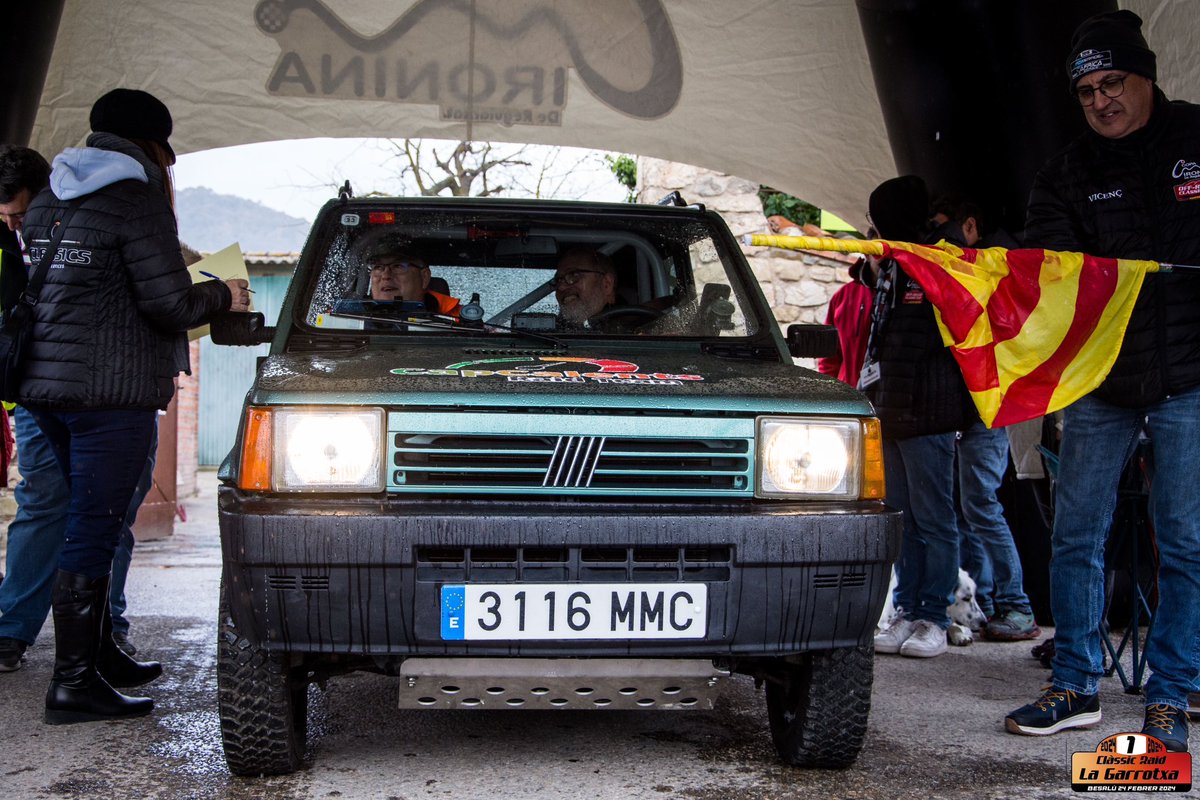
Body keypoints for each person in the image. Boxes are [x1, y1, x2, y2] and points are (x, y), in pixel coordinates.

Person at [16, 88, 250, 724]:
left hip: (46, 392)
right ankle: (72, 686)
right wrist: (223, 296)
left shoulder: (47, 200)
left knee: (88, 518)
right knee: (94, 527)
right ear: (151, 146)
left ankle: (100, 660)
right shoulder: (136, 199)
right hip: (108, 395)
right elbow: (169, 304)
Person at [1005, 10, 1200, 752]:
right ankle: (1075, 684)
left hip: (1191, 376)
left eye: (1112, 83)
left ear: (1146, 75)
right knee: (1076, 534)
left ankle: (1172, 695)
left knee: (1184, 540)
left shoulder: (1195, 139)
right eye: (1086, 92)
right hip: (1101, 381)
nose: (1100, 102)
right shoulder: (1065, 172)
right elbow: (1051, 277)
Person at [0, 145, 154, 671]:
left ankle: (103, 636)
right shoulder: (14, 239)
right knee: (47, 504)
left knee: (109, 515)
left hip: (95, 389)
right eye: (7, 216)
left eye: (19, 212)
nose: (15, 223)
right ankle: (14, 632)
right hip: (42, 394)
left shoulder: (84, 227)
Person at [865, 176, 978, 659]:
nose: (871, 228)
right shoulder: (892, 266)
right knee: (901, 520)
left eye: (877, 217)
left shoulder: (940, 261)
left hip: (929, 411)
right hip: (890, 407)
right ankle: (906, 609)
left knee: (935, 521)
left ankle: (933, 615)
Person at [929, 196, 1040, 642]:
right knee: (967, 509)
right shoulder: (969, 267)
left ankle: (1017, 605)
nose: (939, 241)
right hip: (967, 408)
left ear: (970, 226)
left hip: (985, 407)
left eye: (946, 230)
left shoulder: (999, 269)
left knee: (981, 507)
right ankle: (988, 601)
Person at [361, 232, 461, 317]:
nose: (386, 275)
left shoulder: (462, 321)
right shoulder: (349, 317)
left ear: (424, 277)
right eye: (378, 267)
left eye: (397, 266)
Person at [553, 247, 619, 327]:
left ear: (606, 284)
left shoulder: (631, 334)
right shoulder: (552, 332)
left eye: (573, 275)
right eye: (558, 280)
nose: (561, 287)